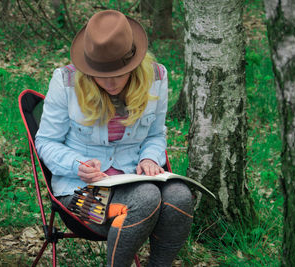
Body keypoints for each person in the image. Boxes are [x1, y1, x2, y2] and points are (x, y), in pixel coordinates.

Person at [35, 10, 193, 267]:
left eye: (119, 74)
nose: (110, 84)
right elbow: (45, 142)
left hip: (137, 181)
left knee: (180, 197)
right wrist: (78, 165)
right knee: (146, 198)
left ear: (135, 63)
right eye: (101, 75)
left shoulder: (157, 77)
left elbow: (155, 134)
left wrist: (150, 158)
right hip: (78, 199)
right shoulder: (65, 82)